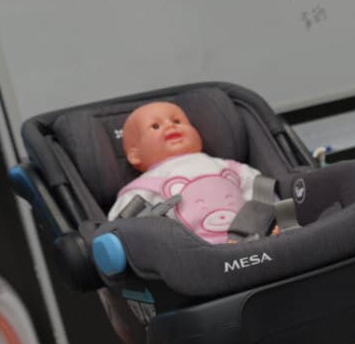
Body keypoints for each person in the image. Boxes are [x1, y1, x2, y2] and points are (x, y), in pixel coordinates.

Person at [109, 101, 266, 244]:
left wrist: (272, 221)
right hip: (191, 253)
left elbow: (262, 192)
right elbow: (122, 226)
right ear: (134, 155)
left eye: (177, 121)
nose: (171, 126)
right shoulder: (144, 187)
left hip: (253, 241)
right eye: (155, 126)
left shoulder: (229, 167)